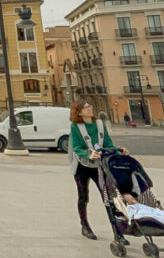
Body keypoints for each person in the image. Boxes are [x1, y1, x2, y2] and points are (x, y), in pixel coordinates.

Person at [68, 99, 129, 241]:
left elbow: (108, 144)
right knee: (83, 196)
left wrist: (119, 152)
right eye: (86, 107)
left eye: (90, 106)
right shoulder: (75, 126)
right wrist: (87, 154)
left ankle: (117, 233)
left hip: (99, 166)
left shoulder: (99, 124)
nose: (90, 108)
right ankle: (85, 225)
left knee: (109, 198)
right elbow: (76, 147)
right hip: (81, 167)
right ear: (79, 112)